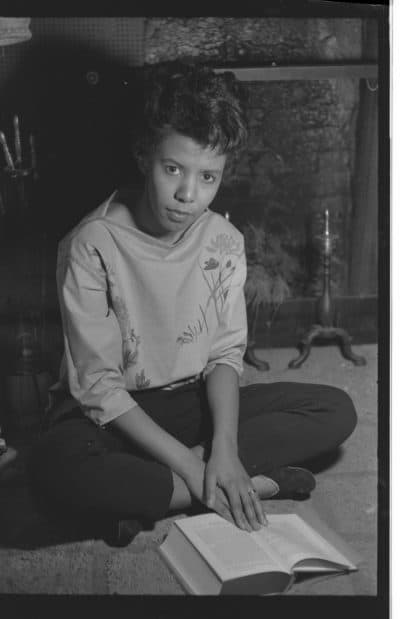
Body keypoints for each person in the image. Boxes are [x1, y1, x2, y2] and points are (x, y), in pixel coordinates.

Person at [28, 61, 357, 547]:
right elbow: (98, 388)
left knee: (335, 409)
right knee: (55, 467)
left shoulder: (224, 241)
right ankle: (253, 484)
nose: (187, 194)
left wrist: (223, 444)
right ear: (144, 156)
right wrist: (192, 463)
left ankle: (152, 496)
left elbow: (225, 355)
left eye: (208, 177)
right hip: (114, 415)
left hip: (189, 404)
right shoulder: (91, 243)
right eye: (173, 169)